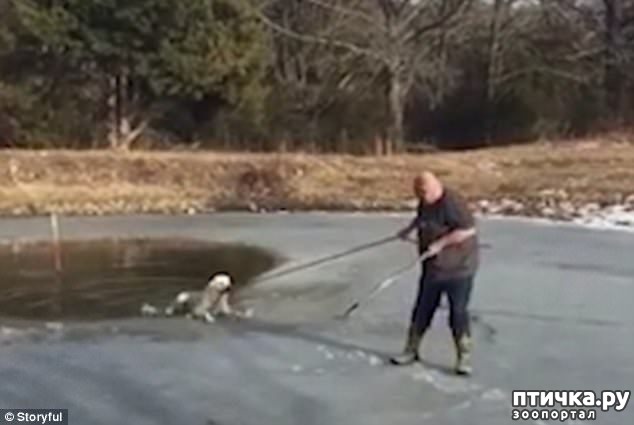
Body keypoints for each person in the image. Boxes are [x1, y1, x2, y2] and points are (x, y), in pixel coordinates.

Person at [390, 171, 479, 375]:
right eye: (418, 194)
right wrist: (409, 230)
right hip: (432, 267)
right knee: (422, 309)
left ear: (435, 187)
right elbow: (422, 218)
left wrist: (440, 244)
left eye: (423, 193)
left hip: (459, 268)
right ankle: (411, 350)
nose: (421, 197)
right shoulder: (425, 201)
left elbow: (467, 230)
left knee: (457, 312)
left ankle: (463, 357)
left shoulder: (453, 202)